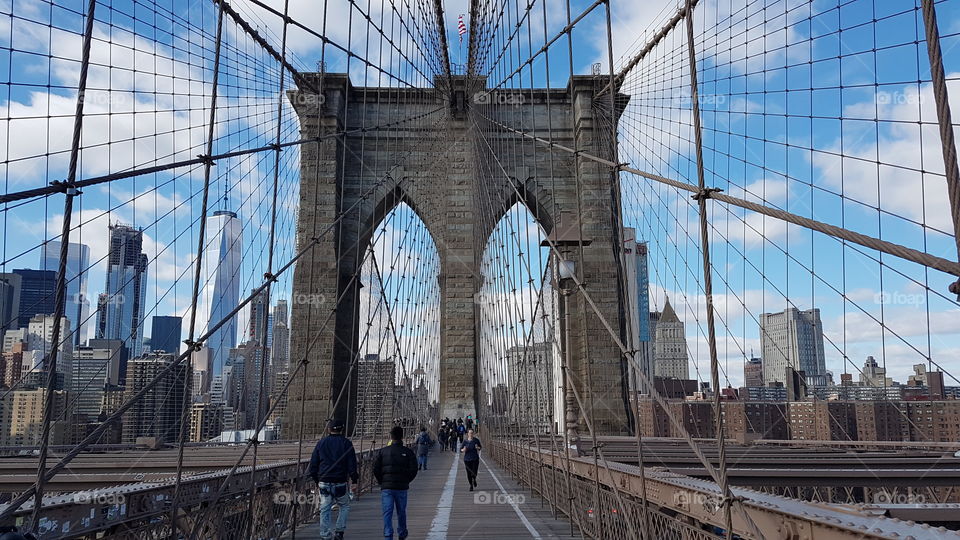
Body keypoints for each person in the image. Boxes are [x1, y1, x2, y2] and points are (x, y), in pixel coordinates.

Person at [307, 418, 359, 540]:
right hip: (340, 481)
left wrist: (316, 480)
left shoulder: (321, 443)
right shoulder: (347, 443)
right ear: (342, 429)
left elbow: (313, 465)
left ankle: (325, 535)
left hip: (324, 481)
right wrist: (354, 481)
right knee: (344, 506)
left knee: (325, 508)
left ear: (329, 429)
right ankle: (339, 532)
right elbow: (352, 464)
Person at [373, 426, 418, 540]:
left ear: (391, 436)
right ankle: (402, 533)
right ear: (402, 436)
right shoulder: (408, 452)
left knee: (387, 512)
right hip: (401, 487)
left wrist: (381, 481)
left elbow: (376, 469)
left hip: (387, 488)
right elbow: (414, 469)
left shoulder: (383, 452)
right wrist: (407, 480)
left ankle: (388, 535)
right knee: (401, 511)